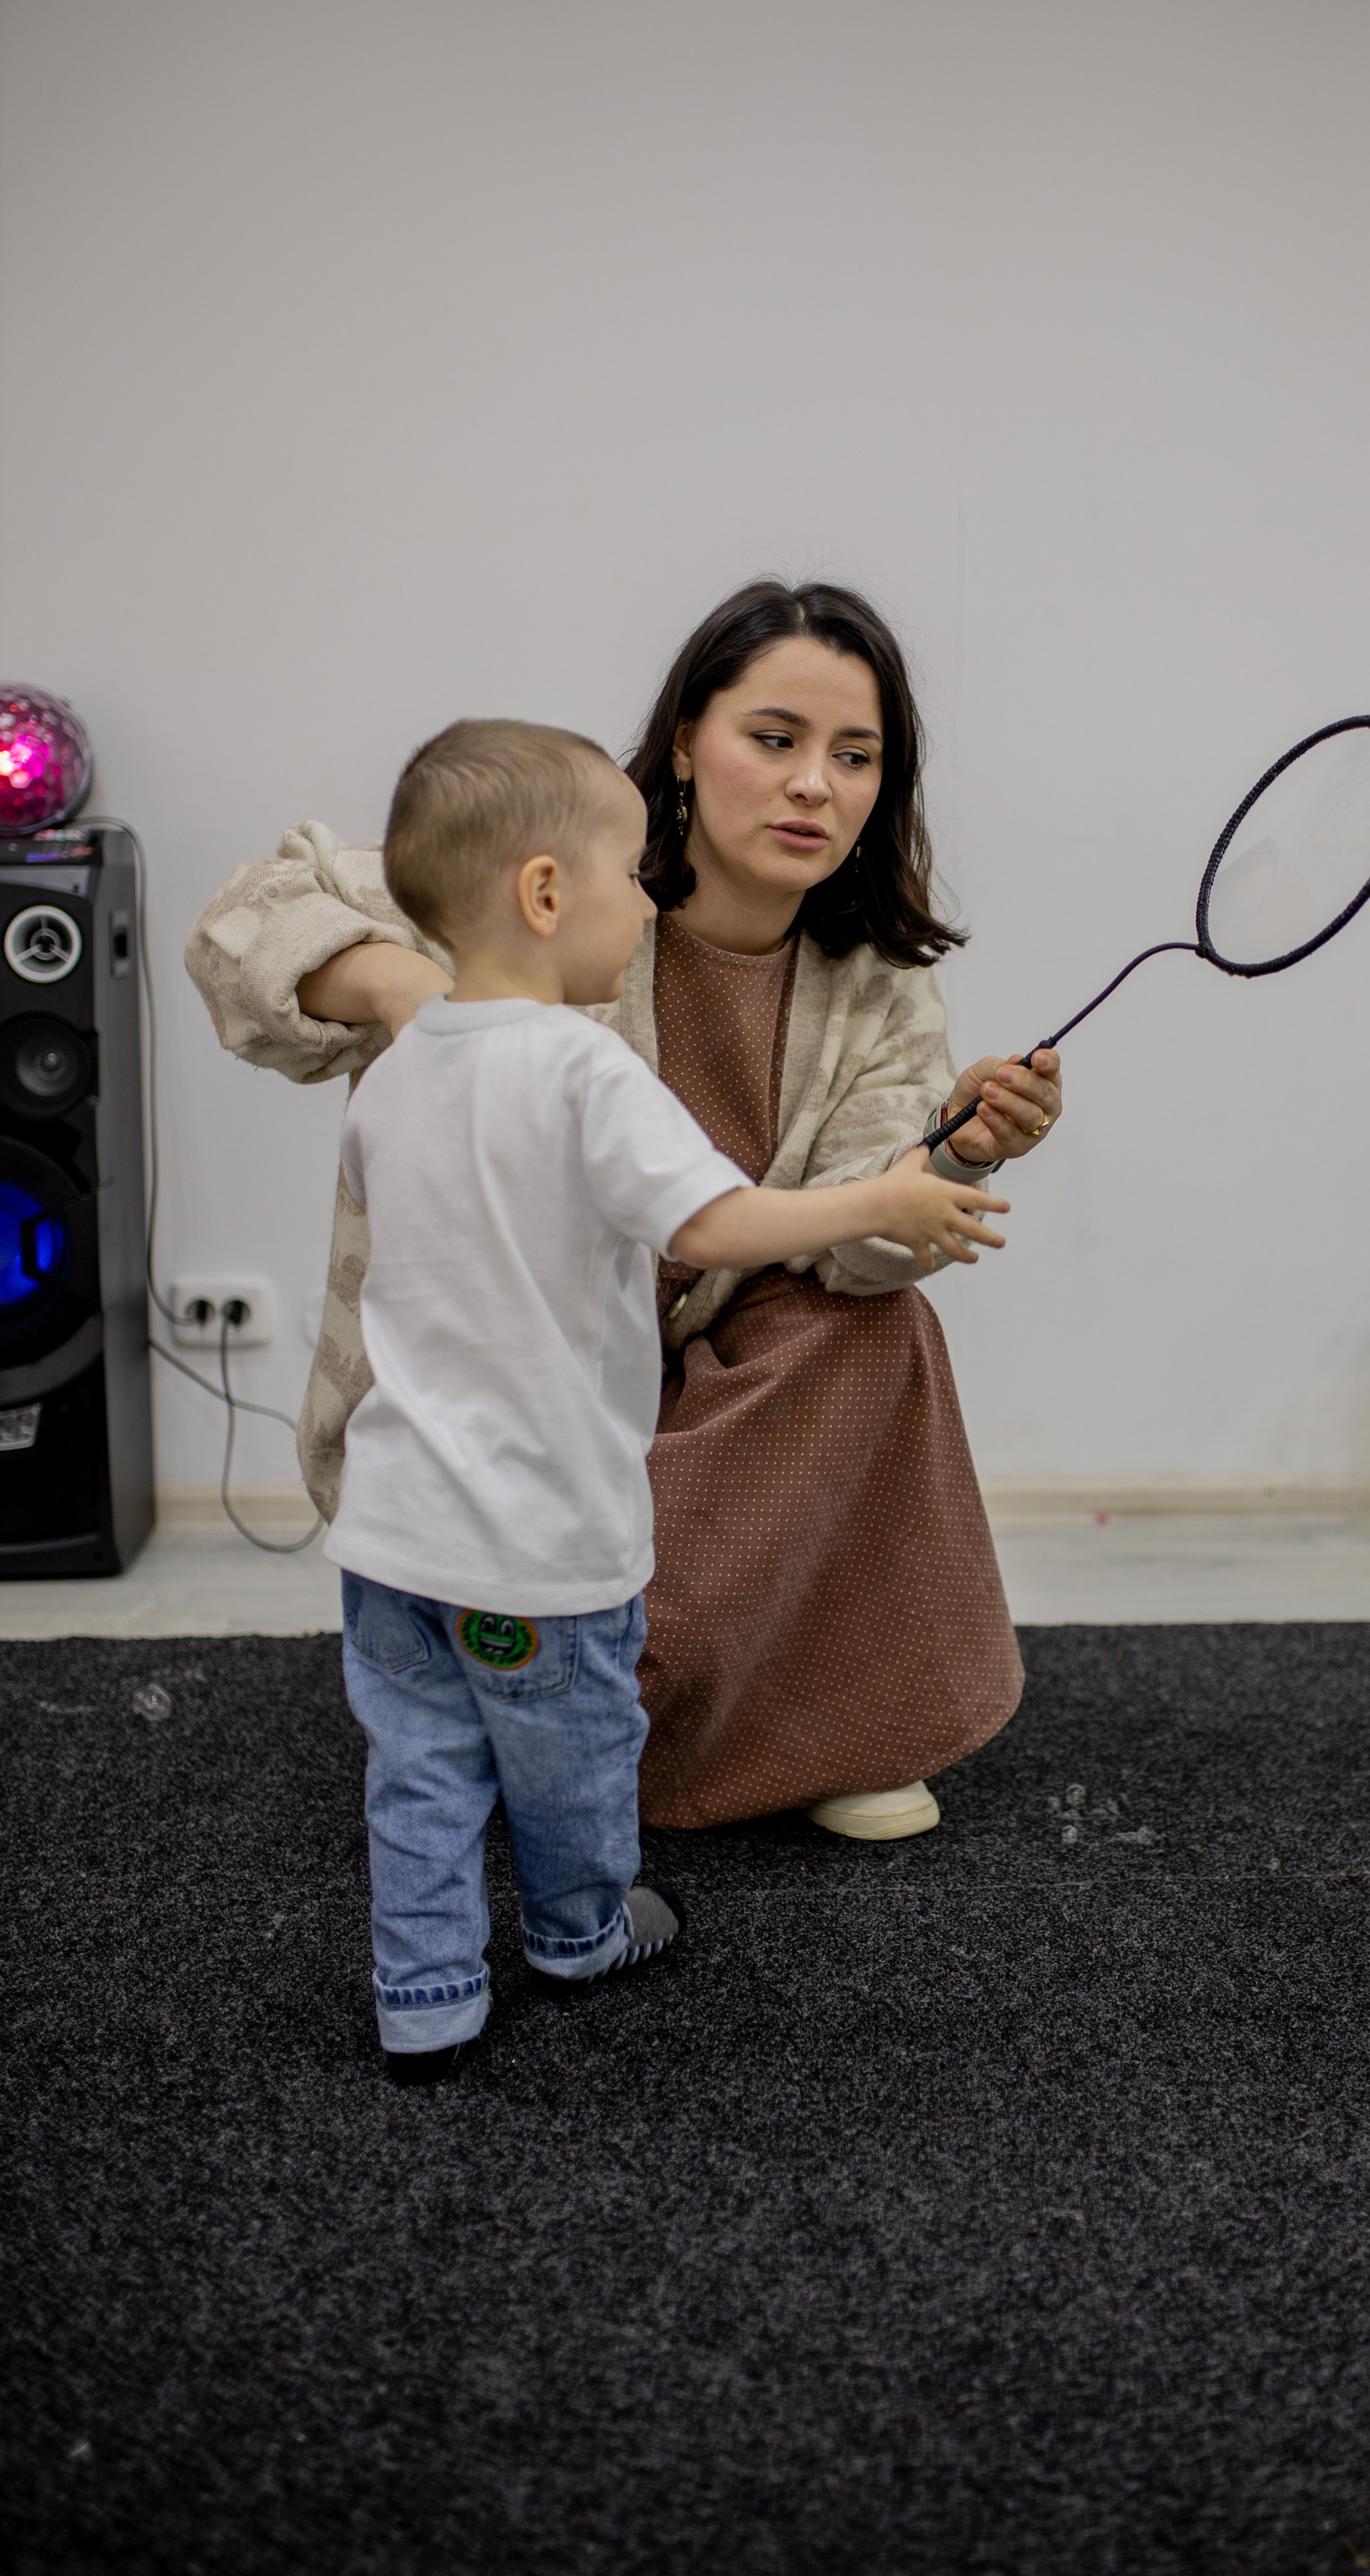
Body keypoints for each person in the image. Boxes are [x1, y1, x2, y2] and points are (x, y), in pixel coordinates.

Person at [185, 578, 1063, 1843]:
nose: (816, 783)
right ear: (687, 753)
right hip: (490, 1404)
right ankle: (591, 1726)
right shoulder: (535, 888)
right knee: (567, 1658)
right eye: (776, 739)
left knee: (882, 1329)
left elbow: (857, 1254)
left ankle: (812, 1729)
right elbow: (243, 920)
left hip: (697, 1406)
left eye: (856, 756)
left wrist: (957, 1155)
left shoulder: (880, 996)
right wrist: (405, 991)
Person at [336, 718, 1007, 2079]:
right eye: (630, 878)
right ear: (544, 895)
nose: (647, 903)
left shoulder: (399, 1073)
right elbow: (711, 1226)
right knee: (576, 1757)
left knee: (419, 1770)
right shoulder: (589, 1066)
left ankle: (424, 1996)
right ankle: (582, 1934)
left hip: (393, 1531)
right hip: (541, 1540)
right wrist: (886, 1194)